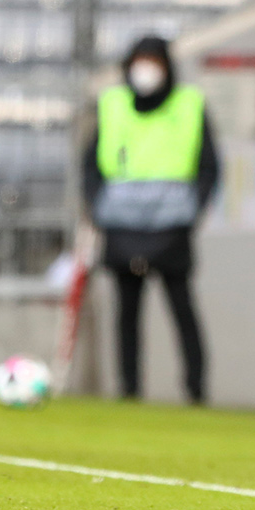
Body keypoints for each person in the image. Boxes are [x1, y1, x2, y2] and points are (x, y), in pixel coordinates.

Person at [83, 35, 220, 404]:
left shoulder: (189, 103)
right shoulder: (112, 105)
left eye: (152, 61)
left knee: (182, 308)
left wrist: (193, 210)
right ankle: (129, 390)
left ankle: (196, 390)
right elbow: (90, 163)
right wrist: (97, 207)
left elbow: (210, 165)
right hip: (122, 224)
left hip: (171, 226)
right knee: (126, 312)